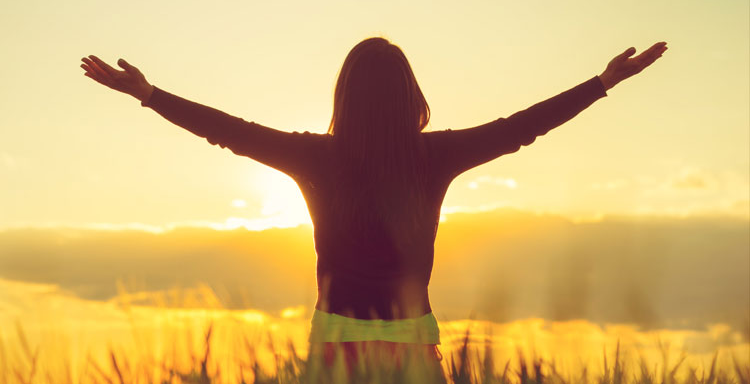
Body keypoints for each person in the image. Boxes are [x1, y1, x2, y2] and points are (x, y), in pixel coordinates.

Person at [80, 37, 667, 381]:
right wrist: (602, 82)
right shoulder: (434, 156)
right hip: (413, 348)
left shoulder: (314, 157)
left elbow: (228, 132)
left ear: (344, 97)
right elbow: (523, 128)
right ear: (411, 97)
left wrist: (150, 96)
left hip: (333, 349)